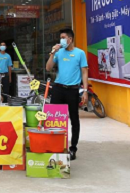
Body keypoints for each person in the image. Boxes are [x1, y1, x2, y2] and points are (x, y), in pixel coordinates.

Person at [45, 28, 88, 161]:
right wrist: (52, 53)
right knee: (53, 119)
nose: (61, 40)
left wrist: (85, 91)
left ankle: (73, 148)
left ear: (70, 39)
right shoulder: (59, 53)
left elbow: (84, 72)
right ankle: (54, 146)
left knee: (74, 119)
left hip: (73, 90)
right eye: (61, 38)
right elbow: (48, 68)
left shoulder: (80, 53)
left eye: (63, 37)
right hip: (58, 88)